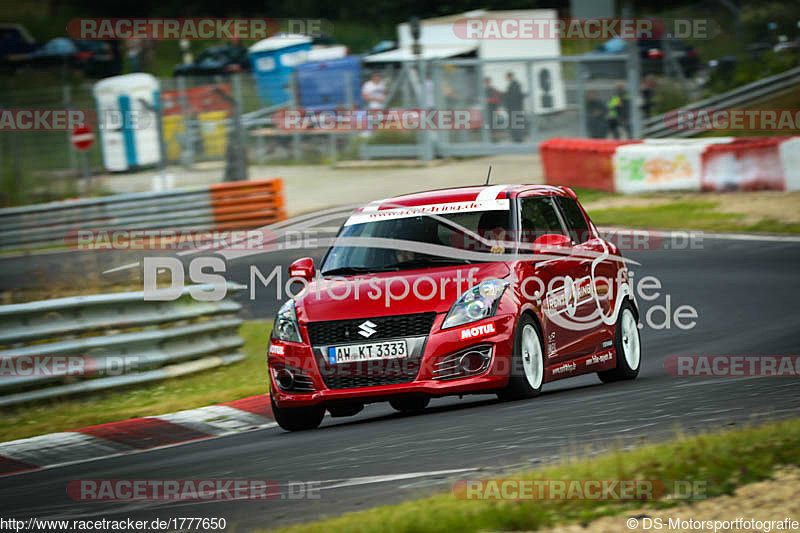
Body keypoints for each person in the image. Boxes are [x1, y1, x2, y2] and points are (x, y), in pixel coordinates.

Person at [503, 72, 526, 143]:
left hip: (515, 108)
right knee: (515, 123)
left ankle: (518, 138)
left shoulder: (515, 85)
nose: (506, 79)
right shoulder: (513, 85)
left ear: (510, 77)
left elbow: (515, 96)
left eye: (507, 77)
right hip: (514, 108)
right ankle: (517, 138)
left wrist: (506, 96)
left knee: (516, 123)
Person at [484, 77, 502, 142]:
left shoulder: (493, 90)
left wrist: (488, 100)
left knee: (493, 125)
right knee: (488, 125)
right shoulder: (484, 90)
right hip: (486, 110)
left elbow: (497, 100)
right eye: (486, 82)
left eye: (488, 82)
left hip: (492, 110)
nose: (487, 84)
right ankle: (489, 139)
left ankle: (495, 139)